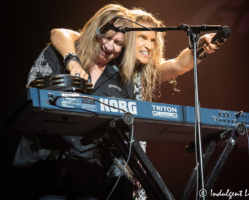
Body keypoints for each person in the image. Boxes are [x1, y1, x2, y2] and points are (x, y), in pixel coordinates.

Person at [49, 7, 224, 200]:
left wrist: (199, 46)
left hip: (122, 164)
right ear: (128, 37)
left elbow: (179, 64)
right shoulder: (108, 58)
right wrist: (73, 62)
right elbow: (60, 33)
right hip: (87, 161)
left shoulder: (143, 71)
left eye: (152, 40)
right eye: (142, 37)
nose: (148, 45)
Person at [12, 4, 136, 200]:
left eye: (118, 43)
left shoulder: (122, 80)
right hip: (42, 167)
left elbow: (121, 136)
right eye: (107, 36)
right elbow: (31, 103)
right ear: (95, 28)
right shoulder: (57, 54)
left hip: (88, 178)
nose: (110, 46)